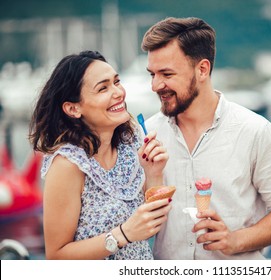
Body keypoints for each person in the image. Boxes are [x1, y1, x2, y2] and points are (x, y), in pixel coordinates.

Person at [141, 17, 271, 260]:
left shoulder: (255, 131)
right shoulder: (146, 135)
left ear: (202, 69)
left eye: (166, 73)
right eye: (152, 74)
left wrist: (235, 240)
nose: (155, 85)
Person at [29, 50, 171, 260]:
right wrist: (123, 234)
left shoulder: (130, 144)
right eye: (103, 88)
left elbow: (154, 224)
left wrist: (154, 172)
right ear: (73, 108)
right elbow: (56, 257)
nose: (118, 92)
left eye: (117, 81)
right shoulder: (67, 165)